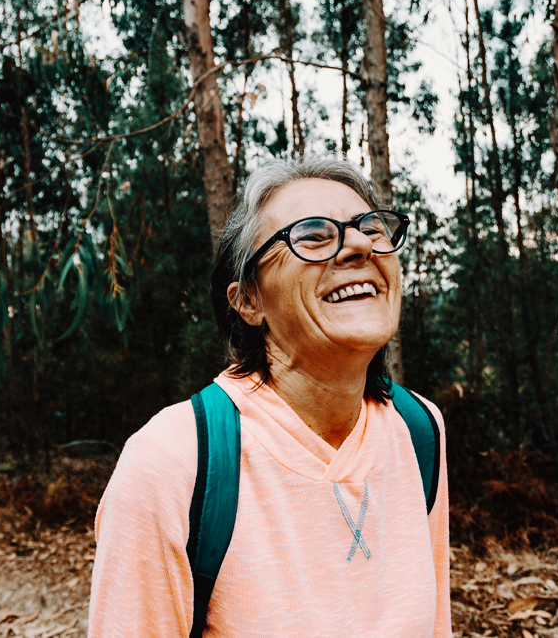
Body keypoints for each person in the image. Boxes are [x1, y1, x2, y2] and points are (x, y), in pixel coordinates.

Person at [88, 155, 450, 637]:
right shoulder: (171, 462)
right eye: (313, 235)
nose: (360, 245)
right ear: (249, 301)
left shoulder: (419, 429)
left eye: (371, 227)